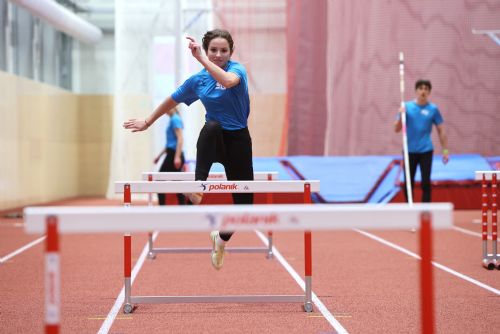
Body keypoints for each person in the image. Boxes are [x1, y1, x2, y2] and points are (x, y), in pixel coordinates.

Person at [123, 29, 254, 270]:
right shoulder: (198, 81)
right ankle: (197, 186)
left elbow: (227, 81)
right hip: (213, 138)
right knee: (212, 125)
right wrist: (148, 121)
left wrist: (202, 58)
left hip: (239, 140)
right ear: (207, 49)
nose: (218, 55)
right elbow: (171, 100)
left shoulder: (237, 70)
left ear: (230, 52)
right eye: (213, 50)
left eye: (223, 50)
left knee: (246, 206)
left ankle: (221, 239)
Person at [394, 79, 449, 203]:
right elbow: (396, 129)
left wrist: (445, 150)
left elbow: (441, 130)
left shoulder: (433, 109)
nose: (423, 91)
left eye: (426, 89)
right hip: (409, 151)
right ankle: (410, 208)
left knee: (425, 182)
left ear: (429, 92)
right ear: (416, 91)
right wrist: (400, 116)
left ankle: (425, 210)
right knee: (408, 182)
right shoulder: (406, 107)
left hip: (426, 150)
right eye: (420, 88)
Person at [153, 108, 186, 205]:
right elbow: (169, 144)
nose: (164, 110)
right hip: (171, 153)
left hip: (174, 155)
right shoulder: (173, 119)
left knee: (160, 180)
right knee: (177, 183)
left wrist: (177, 157)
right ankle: (182, 207)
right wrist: (159, 156)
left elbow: (180, 139)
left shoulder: (175, 119)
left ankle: (163, 208)